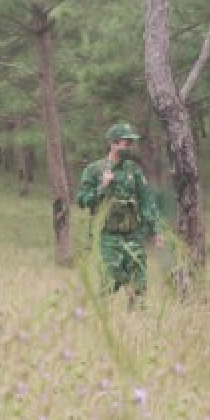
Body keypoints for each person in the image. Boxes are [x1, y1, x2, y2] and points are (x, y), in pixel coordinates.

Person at [76, 122, 165, 305]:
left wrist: (155, 230)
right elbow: (83, 200)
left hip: (133, 233)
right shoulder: (94, 170)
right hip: (107, 235)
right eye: (127, 143)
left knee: (138, 280)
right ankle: (103, 320)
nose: (130, 147)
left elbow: (146, 201)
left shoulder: (134, 170)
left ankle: (137, 321)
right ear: (113, 143)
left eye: (132, 143)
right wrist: (103, 186)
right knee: (110, 278)